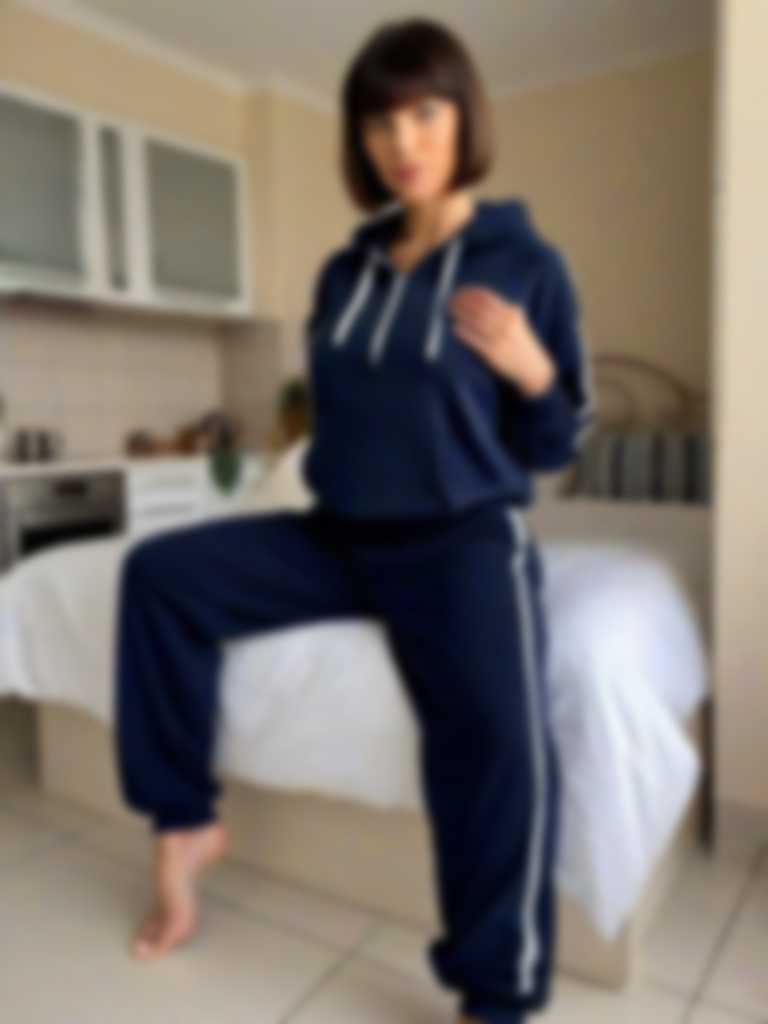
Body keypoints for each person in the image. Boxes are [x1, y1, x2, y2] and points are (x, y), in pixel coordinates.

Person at [113, 16, 596, 1024]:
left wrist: (533, 372)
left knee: (499, 745)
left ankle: (496, 992)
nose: (402, 142)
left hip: (461, 540)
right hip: (338, 533)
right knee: (158, 575)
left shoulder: (526, 264)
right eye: (379, 123)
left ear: (464, 118)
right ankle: (185, 824)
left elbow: (556, 444)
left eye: (425, 114)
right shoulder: (346, 273)